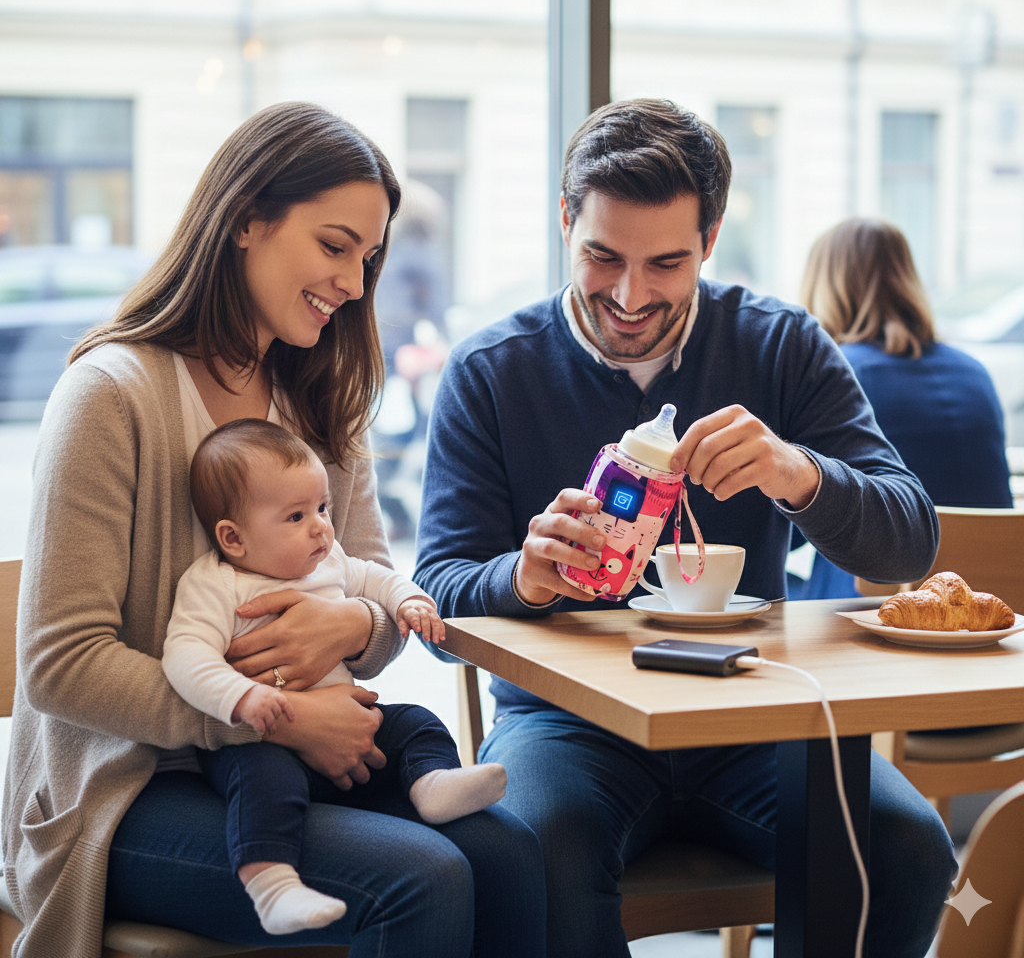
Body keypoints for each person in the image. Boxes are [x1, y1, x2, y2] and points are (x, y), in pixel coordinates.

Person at [414, 98, 957, 958]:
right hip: (567, 726)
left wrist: (798, 474)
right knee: (531, 853)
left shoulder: (781, 347)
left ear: (709, 240)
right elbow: (436, 600)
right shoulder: (492, 372)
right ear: (565, 222)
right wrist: (518, 576)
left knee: (906, 847)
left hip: (749, 710)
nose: (629, 298)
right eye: (602, 256)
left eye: (665, 263)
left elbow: (910, 542)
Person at [2, 102, 544, 958]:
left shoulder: (321, 400)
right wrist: (277, 719)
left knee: (509, 854)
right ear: (247, 219)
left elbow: (368, 584)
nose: (356, 284)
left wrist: (360, 623)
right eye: (334, 247)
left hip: (284, 763)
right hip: (125, 785)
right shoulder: (109, 397)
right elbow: (60, 665)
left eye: (367, 258)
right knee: (420, 878)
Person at [163, 418, 508, 936]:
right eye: (297, 516)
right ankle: (273, 885)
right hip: (264, 739)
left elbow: (376, 578)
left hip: (352, 728)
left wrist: (408, 601)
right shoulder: (217, 585)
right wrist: (240, 698)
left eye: (322, 508)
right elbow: (185, 656)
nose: (322, 526)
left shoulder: (328, 561)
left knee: (416, 721)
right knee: (262, 780)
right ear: (233, 538)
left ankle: (430, 784)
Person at [789, 216, 1013, 599]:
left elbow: (792, 528)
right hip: (988, 607)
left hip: (873, 607)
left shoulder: (838, 374)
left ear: (823, 286)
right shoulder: (974, 373)